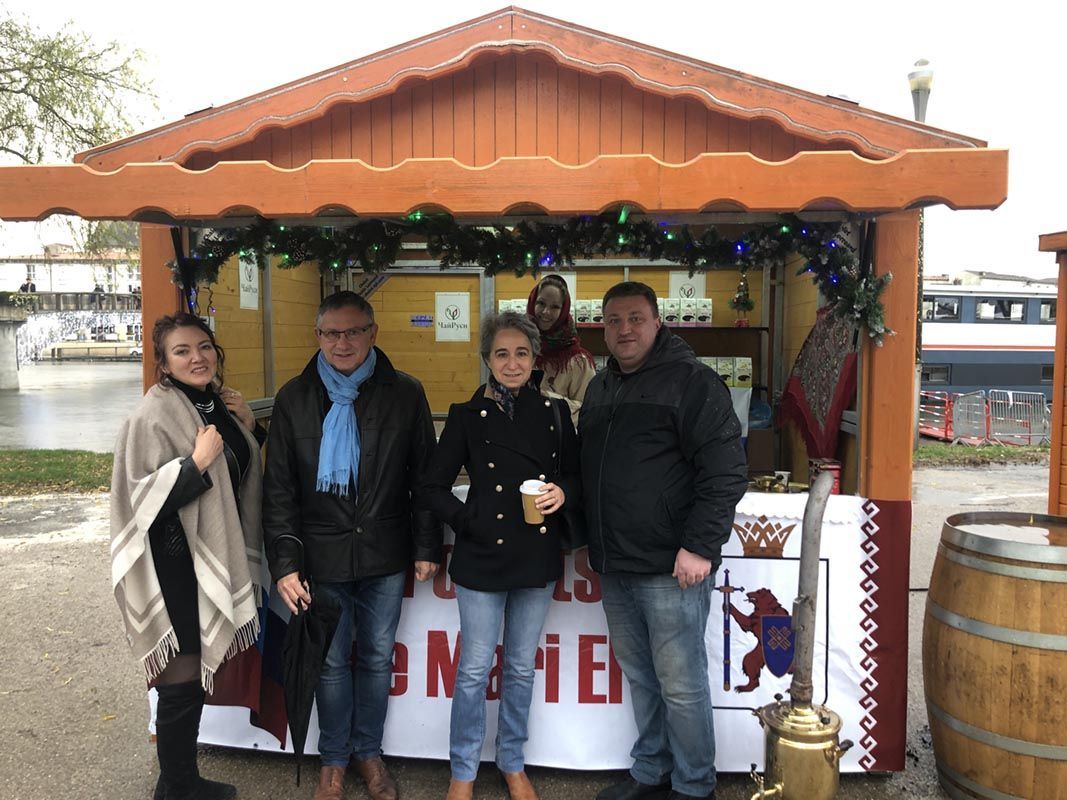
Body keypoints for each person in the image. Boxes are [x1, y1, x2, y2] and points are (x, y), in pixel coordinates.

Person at [263, 291, 442, 800]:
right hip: (321, 559)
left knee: (378, 659)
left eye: (353, 331)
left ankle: (369, 753)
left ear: (373, 333)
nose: (342, 343)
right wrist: (285, 562)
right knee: (331, 664)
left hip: (385, 552)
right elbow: (280, 491)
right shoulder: (294, 398)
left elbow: (424, 479)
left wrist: (427, 545)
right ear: (317, 336)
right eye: (331, 333)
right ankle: (334, 762)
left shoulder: (405, 392)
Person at [578, 282, 748, 800]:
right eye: (613, 320)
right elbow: (591, 472)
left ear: (657, 322)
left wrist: (699, 546)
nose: (624, 329)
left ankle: (694, 785)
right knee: (641, 676)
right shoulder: (601, 387)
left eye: (635, 318)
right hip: (615, 563)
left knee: (681, 683)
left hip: (671, 567)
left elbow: (725, 470)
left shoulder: (692, 382)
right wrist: (587, 539)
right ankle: (651, 771)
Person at [420, 310, 579, 800]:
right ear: (487, 359)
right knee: (473, 670)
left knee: (520, 668)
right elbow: (431, 487)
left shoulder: (555, 414)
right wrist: (470, 521)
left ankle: (512, 763)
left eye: (522, 353)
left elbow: (575, 476)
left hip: (536, 554)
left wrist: (562, 493)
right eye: (502, 354)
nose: (512, 363)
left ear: (535, 359)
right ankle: (463, 771)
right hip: (481, 557)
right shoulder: (466, 415)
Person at [110, 313, 266, 800]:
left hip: (205, 557)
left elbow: (239, 473)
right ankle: (176, 787)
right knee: (180, 678)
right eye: (182, 351)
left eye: (203, 347)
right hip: (172, 563)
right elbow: (136, 501)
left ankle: (181, 782)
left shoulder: (217, 404)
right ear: (163, 362)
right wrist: (194, 465)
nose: (196, 358)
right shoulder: (151, 416)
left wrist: (249, 430)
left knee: (195, 675)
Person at [525, 274, 596, 424]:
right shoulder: (520, 350)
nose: (546, 312)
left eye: (555, 307)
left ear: (563, 310)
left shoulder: (578, 361)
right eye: (541, 303)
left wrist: (548, 399)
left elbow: (589, 410)